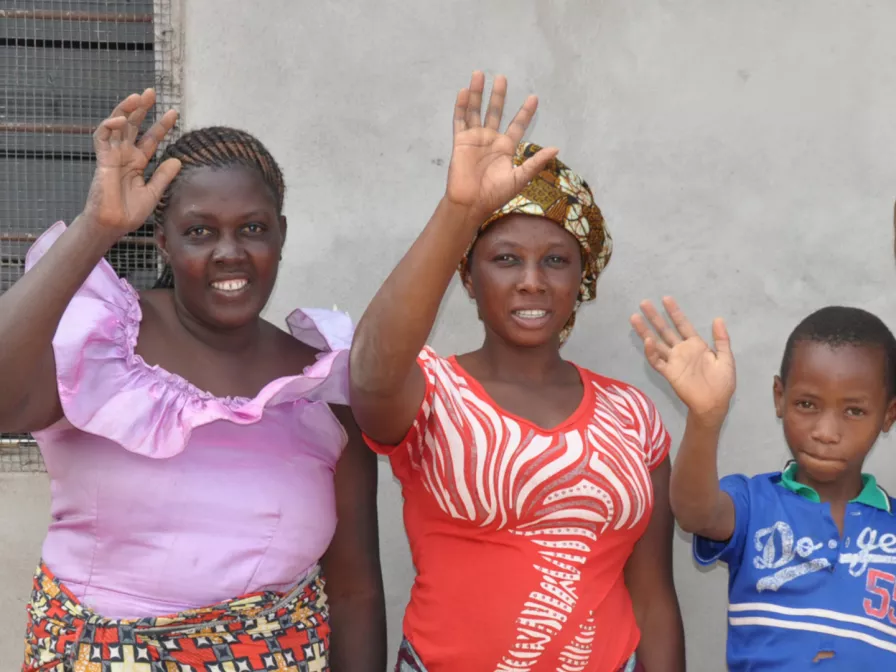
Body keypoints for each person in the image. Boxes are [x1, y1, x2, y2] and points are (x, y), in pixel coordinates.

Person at [2, 89, 385, 671]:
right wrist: (95, 229)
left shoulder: (321, 387)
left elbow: (356, 593)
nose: (229, 253)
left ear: (280, 235)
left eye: (252, 229)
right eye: (200, 232)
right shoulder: (103, 344)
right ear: (163, 239)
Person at [349, 71, 685, 672]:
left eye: (555, 260)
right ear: (468, 278)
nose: (532, 279)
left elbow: (654, 597)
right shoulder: (430, 391)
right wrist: (459, 211)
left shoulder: (633, 415)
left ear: (580, 283)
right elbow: (369, 373)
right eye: (505, 259)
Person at [631, 298, 896, 670]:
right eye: (807, 404)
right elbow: (695, 513)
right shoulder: (753, 503)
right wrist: (706, 418)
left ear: (888, 415)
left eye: (854, 411)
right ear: (779, 397)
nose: (826, 432)